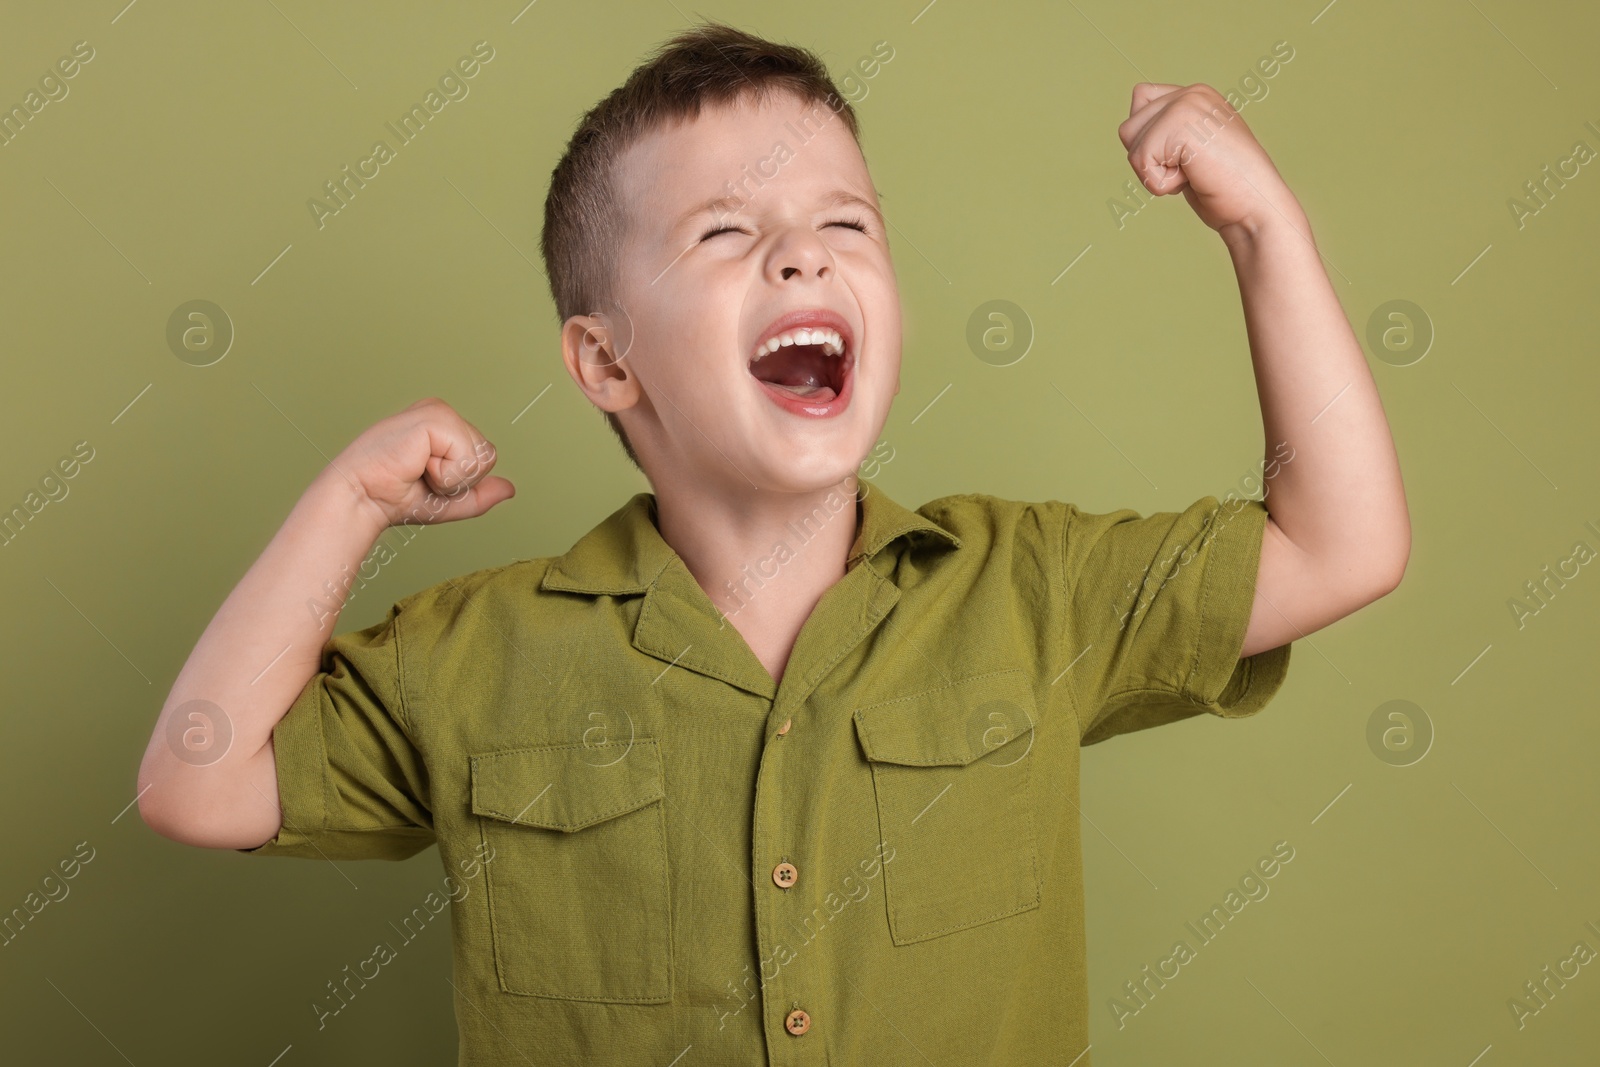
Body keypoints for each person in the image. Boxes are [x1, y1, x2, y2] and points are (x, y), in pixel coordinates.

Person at [136, 21, 1409, 1065]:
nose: (803, 254)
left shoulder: (1031, 591)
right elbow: (197, 778)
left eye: (846, 224)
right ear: (605, 359)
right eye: (725, 233)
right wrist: (347, 503)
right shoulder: (478, 650)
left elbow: (1341, 546)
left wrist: (1262, 230)